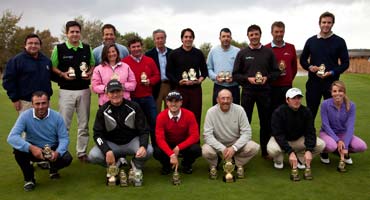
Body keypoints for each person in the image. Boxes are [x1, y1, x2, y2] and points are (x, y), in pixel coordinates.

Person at [88, 79, 153, 186]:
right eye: (112, 92)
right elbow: (97, 134)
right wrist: (107, 150)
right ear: (107, 94)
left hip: (131, 142)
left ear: (123, 92)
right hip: (112, 145)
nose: (115, 95)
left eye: (118, 91)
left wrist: (142, 146)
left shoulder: (134, 107)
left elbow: (144, 130)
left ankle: (136, 165)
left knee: (148, 150)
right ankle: (115, 165)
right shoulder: (102, 110)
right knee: (93, 156)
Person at [7, 91, 72, 191]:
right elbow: (12, 137)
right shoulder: (25, 116)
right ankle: (29, 179)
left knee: (67, 158)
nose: (41, 107)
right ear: (32, 104)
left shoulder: (57, 116)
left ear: (48, 103)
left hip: (52, 148)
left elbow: (64, 138)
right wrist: (31, 148)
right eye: (37, 104)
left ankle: (53, 167)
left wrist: (58, 153)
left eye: (43, 103)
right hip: (33, 149)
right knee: (18, 151)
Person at [232, 24, 279, 158]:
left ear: (260, 35)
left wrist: (267, 78)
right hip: (248, 92)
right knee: (245, 122)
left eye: (256, 34)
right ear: (248, 36)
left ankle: (265, 151)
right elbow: (235, 74)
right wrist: (248, 79)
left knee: (266, 122)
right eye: (251, 35)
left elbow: (276, 72)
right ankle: (242, 150)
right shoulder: (242, 53)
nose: (254, 37)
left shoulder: (268, 52)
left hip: (265, 92)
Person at [51, 20, 95, 162]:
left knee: (84, 124)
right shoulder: (59, 48)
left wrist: (89, 72)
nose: (75, 34)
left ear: (80, 33)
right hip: (66, 91)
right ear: (67, 33)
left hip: (84, 90)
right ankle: (62, 151)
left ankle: (81, 152)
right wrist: (62, 74)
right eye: (72, 32)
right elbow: (53, 66)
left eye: (77, 32)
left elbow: (93, 64)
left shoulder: (87, 48)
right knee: (64, 125)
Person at [300, 11, 349, 120]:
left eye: (329, 22)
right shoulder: (311, 41)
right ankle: (310, 137)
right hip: (313, 84)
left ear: (332, 24)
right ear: (319, 23)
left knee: (332, 116)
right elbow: (303, 60)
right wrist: (310, 67)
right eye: (324, 22)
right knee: (310, 114)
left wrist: (332, 72)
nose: (326, 25)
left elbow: (345, 64)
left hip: (332, 85)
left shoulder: (340, 41)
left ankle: (331, 137)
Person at [267, 88, 325, 181]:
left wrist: (309, 150)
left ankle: (300, 159)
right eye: (293, 98)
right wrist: (290, 151)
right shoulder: (278, 112)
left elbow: (310, 132)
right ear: (287, 100)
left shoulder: (306, 111)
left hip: (298, 140)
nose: (297, 100)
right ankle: (278, 160)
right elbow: (278, 134)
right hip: (282, 140)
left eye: (299, 98)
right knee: (272, 150)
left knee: (321, 144)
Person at [202, 89, 260, 180]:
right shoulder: (211, 112)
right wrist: (222, 148)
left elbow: (247, 133)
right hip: (218, 144)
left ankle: (237, 163)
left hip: (235, 143)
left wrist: (234, 147)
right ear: (217, 100)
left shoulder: (239, 110)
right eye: (223, 98)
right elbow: (207, 135)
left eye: (228, 98)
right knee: (205, 150)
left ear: (232, 99)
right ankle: (214, 164)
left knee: (254, 147)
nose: (225, 101)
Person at [319, 81, 367, 172]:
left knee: (361, 146)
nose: (337, 93)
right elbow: (325, 125)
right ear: (331, 92)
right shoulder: (325, 104)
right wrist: (337, 140)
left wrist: (345, 147)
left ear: (344, 92)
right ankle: (324, 153)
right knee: (331, 146)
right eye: (335, 91)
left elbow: (350, 127)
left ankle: (344, 152)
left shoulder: (351, 105)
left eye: (340, 91)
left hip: (343, 133)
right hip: (327, 133)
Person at [122, 36, 160, 147]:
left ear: (141, 47)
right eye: (133, 47)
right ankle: (138, 146)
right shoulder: (125, 62)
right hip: (132, 98)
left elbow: (157, 75)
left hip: (148, 97)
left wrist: (150, 81)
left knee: (153, 122)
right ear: (129, 48)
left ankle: (156, 147)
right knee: (134, 124)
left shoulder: (149, 60)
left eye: (138, 46)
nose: (136, 49)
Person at [166, 28, 208, 129]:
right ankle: (181, 142)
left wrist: (200, 80)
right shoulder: (174, 54)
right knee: (180, 116)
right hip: (180, 90)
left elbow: (204, 71)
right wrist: (179, 82)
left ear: (193, 39)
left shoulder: (198, 53)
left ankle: (195, 142)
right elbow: (168, 73)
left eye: (190, 37)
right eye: (186, 37)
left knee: (195, 116)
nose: (188, 39)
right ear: (182, 39)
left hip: (195, 90)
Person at [3, 33, 53, 114]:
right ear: (25, 45)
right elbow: (8, 81)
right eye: (30, 43)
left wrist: (64, 74)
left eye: (36, 43)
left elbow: (52, 77)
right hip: (26, 102)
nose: (33, 45)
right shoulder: (16, 60)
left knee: (45, 126)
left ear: (40, 46)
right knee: (28, 126)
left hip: (45, 102)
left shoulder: (46, 60)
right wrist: (14, 99)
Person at [154, 91, 201, 175]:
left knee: (196, 149)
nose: (173, 104)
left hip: (183, 143)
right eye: (171, 101)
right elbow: (159, 139)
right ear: (167, 102)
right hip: (168, 143)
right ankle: (166, 165)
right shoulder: (161, 116)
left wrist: (179, 147)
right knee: (157, 151)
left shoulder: (189, 115)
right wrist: (171, 154)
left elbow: (195, 136)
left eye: (176, 101)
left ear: (181, 102)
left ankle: (186, 164)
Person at [265, 21, 297, 111]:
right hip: (271, 87)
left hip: (287, 87)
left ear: (284, 32)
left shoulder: (291, 47)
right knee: (271, 114)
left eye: (281, 31)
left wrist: (289, 79)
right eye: (276, 32)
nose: (279, 34)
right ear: (272, 33)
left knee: (287, 114)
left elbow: (294, 68)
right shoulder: (266, 48)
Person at [207, 28, 240, 105]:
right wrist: (216, 77)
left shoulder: (238, 51)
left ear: (231, 38)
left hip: (234, 87)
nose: (226, 38)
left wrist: (234, 78)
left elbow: (242, 70)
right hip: (219, 86)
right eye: (223, 36)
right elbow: (209, 68)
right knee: (217, 113)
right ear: (220, 38)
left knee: (235, 113)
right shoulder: (213, 51)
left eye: (228, 36)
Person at [145, 29, 173, 113]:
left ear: (165, 39)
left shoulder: (172, 53)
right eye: (157, 38)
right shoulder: (149, 55)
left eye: (162, 38)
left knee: (171, 111)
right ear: (154, 40)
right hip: (156, 87)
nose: (160, 40)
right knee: (156, 112)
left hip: (169, 85)